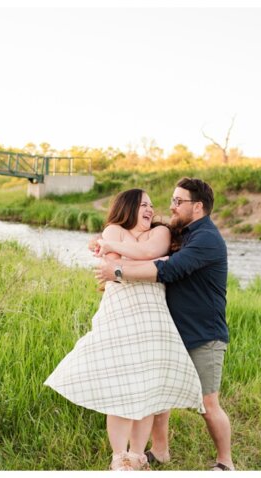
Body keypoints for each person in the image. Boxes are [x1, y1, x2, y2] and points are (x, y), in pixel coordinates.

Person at [44, 188, 204, 471]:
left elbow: (144, 254)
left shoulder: (161, 232)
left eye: (152, 205)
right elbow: (115, 264)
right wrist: (155, 264)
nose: (151, 210)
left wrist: (129, 258)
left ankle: (138, 455)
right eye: (144, 205)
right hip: (118, 316)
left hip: (152, 320)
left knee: (145, 390)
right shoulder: (113, 229)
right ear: (128, 207)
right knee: (119, 384)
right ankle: (119, 457)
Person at [96, 177, 234, 471]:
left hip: (202, 333)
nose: (170, 206)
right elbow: (142, 236)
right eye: (170, 200)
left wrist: (117, 271)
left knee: (208, 404)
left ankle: (225, 463)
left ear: (197, 207)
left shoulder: (206, 238)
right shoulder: (180, 232)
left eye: (178, 201)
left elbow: (169, 268)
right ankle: (159, 451)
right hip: (171, 330)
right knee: (158, 396)